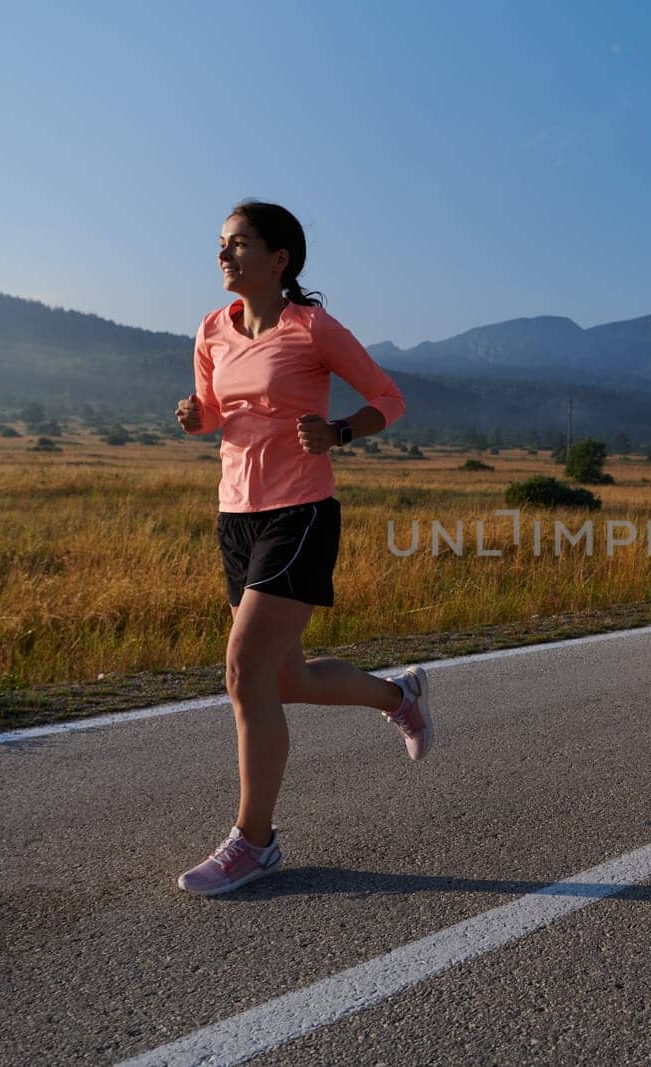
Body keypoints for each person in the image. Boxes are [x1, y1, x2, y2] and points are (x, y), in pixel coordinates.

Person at [172, 200, 432, 896]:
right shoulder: (209, 330)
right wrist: (199, 418)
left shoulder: (310, 327)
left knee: (243, 666)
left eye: (238, 244)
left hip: (302, 513)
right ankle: (396, 693)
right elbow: (215, 414)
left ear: (279, 259)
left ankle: (254, 843)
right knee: (283, 678)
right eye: (221, 244)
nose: (224, 254)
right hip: (237, 516)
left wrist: (341, 431)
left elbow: (388, 397)